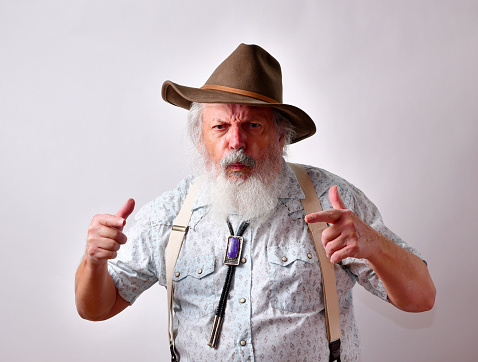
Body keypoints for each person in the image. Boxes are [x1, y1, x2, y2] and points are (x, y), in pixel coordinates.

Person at [75, 43, 435, 361]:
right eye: (220, 128)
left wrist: (373, 245)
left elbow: (421, 299)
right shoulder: (169, 214)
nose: (235, 141)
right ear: (201, 139)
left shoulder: (331, 202)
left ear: (281, 136)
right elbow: (96, 308)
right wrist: (93, 262)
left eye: (252, 126)